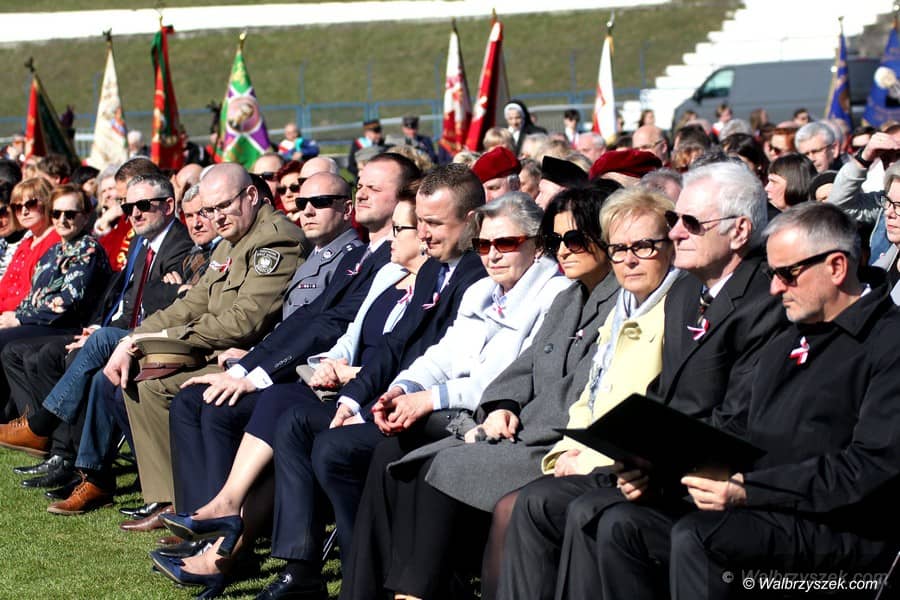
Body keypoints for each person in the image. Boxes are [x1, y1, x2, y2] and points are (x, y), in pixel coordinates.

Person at [342, 187, 669, 600]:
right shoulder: (569, 298)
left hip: (548, 438)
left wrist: (501, 419)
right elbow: (521, 366)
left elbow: (579, 391)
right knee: (399, 455)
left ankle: (415, 592)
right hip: (519, 426)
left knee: (442, 465)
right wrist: (501, 404)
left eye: (574, 239)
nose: (563, 250)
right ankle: (377, 590)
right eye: (556, 240)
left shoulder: (603, 298)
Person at [498, 161, 788, 599]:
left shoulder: (764, 299)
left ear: (740, 231)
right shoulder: (689, 291)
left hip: (708, 479)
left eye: (691, 223)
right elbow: (660, 395)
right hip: (659, 463)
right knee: (540, 501)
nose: (677, 233)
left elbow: (737, 416)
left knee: (597, 515)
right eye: (676, 221)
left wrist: (653, 468)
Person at [602, 203, 900, 600]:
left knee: (700, 536)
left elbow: (870, 468)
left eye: (787, 274)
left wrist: (751, 490)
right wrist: (657, 474)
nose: (775, 288)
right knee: (625, 525)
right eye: (771, 274)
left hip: (841, 531)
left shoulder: (888, 342)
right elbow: (736, 430)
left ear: (836, 267)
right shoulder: (788, 337)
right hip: (761, 509)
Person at [151, 197, 431, 591]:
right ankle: (219, 533)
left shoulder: (434, 282)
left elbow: (408, 354)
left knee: (280, 414)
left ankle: (236, 542)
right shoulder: (387, 273)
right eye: (301, 201)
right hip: (337, 382)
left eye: (400, 229)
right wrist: (328, 363)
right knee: (228, 403)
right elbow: (335, 327)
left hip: (379, 396)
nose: (391, 238)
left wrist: (344, 375)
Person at [243, 164, 487, 599]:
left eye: (433, 223)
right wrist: (352, 401)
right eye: (420, 223)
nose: (424, 235)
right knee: (297, 423)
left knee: (334, 449)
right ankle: (304, 567)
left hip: (441, 412)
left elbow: (449, 360)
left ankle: (368, 574)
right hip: (394, 396)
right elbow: (394, 344)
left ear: (471, 221)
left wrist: (386, 395)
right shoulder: (434, 269)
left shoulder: (476, 274)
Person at [69, 163, 303, 516]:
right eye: (210, 210)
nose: (216, 217)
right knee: (134, 379)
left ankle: (184, 503)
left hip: (250, 360)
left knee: (153, 386)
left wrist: (163, 337)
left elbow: (243, 322)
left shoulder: (275, 240)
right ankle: (168, 499)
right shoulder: (232, 241)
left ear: (252, 196)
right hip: (218, 351)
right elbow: (192, 303)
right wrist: (135, 337)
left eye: (223, 206)